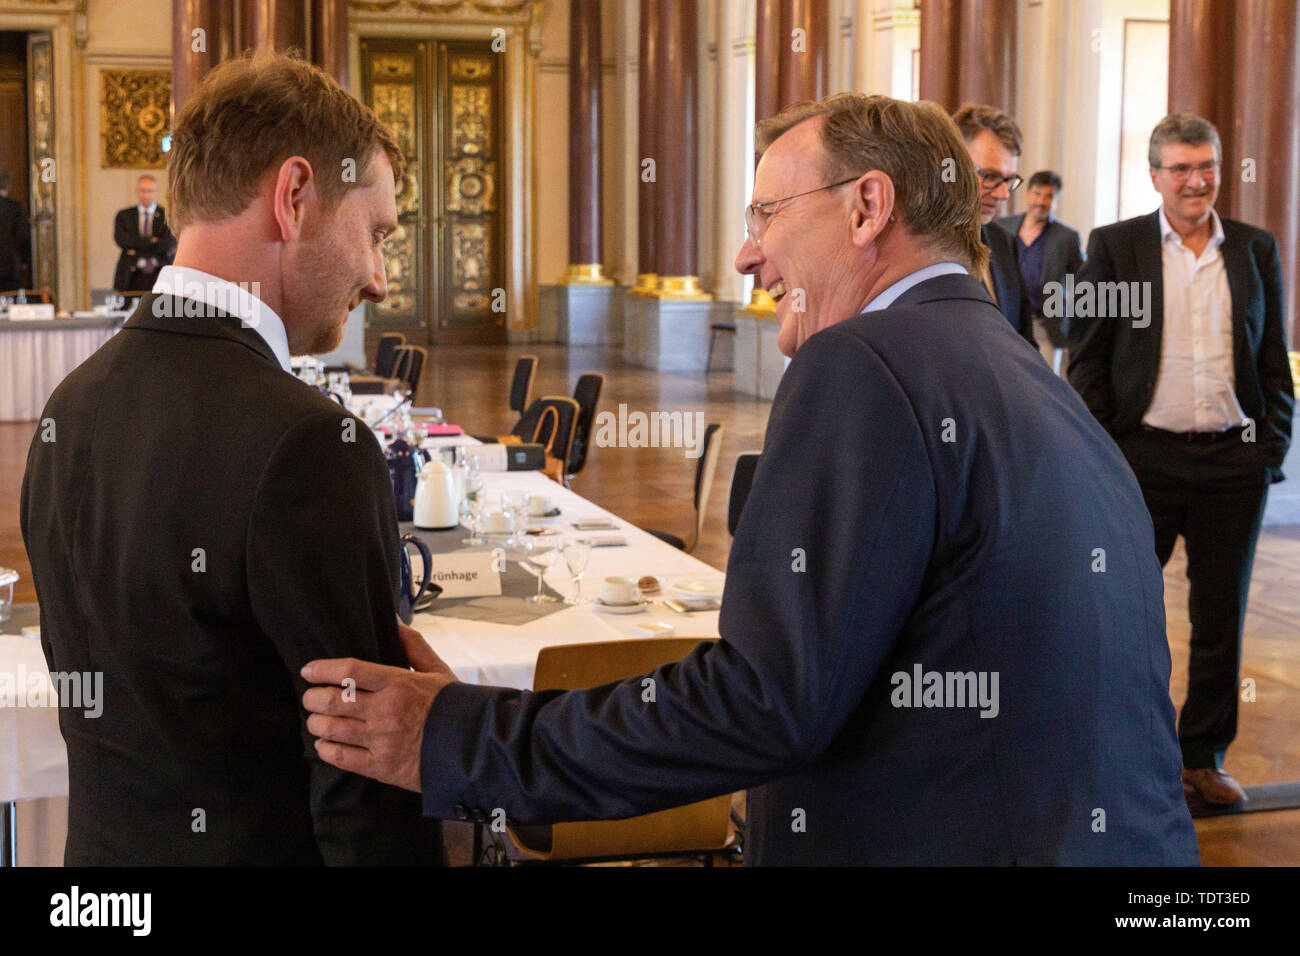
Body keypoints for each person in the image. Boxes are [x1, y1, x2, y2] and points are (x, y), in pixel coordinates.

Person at [302, 93, 1199, 866]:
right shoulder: (1027, 380)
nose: (744, 256)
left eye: (765, 214)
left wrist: (459, 736)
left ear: (866, 208)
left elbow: (762, 702)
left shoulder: (865, 364)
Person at [21, 51, 445, 865]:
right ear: (294, 197)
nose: (380, 277)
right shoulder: (311, 442)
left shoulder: (68, 407)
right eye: (376, 232)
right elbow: (365, 782)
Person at [1069, 113, 1294, 807]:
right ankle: (1118, 751)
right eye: (1180, 168)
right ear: (1155, 175)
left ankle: (1202, 758)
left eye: (1207, 166)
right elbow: (1088, 359)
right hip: (1143, 461)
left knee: (1220, 618)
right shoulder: (1114, 247)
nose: (1196, 181)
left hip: (1233, 463)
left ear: (1220, 170)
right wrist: (1109, 453)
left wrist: (1269, 446)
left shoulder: (1255, 249)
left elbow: (1271, 361)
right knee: (1121, 609)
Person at [952, 103, 1037, 350]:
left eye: (1008, 180)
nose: (1002, 194)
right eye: (989, 176)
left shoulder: (1003, 242)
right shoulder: (918, 246)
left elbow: (1024, 339)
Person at [997, 170, 1084, 373]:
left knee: (1043, 382)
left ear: (1056, 200)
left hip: (1046, 327)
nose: (1041, 201)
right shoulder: (1002, 227)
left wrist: (1072, 326)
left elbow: (1082, 284)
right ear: (1027, 194)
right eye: (1037, 194)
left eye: (1048, 196)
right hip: (1006, 320)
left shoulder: (1067, 237)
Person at [112, 174, 177, 291]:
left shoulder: (167, 215)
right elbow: (121, 240)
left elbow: (167, 244)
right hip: (130, 275)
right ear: (137, 191)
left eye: (150, 191)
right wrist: (152, 240)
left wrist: (134, 248)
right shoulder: (124, 215)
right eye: (142, 190)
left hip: (159, 272)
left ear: (156, 192)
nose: (146, 195)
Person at [0, 169, 30, 291]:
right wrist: (25, 260)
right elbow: (23, 235)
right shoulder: (15, 208)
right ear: (8, 186)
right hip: (10, 267)